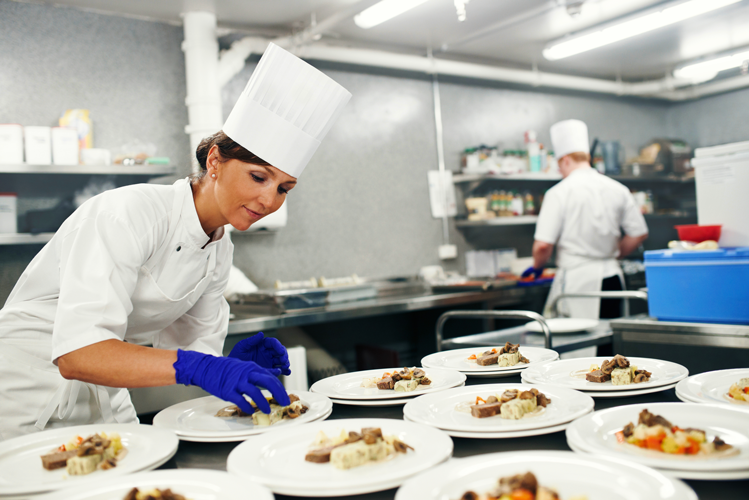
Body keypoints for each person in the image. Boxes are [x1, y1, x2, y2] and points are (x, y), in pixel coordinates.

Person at [0, 43, 351, 441]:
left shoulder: (219, 249)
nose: (270, 200)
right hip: (25, 392)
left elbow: (187, 356)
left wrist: (225, 365)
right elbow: (77, 353)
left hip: (106, 393)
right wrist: (202, 367)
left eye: (285, 188)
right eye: (259, 177)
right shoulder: (128, 213)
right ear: (215, 162)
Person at [523, 119, 648, 320]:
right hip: (613, 278)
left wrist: (537, 268)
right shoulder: (618, 189)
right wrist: (613, 255)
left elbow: (543, 246)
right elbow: (639, 233)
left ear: (564, 160)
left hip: (578, 282)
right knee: (610, 341)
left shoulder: (559, 192)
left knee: (580, 344)